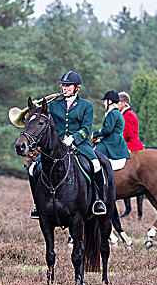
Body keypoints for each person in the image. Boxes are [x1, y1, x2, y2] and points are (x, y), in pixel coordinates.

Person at [29, 71, 107, 218]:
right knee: (33, 169)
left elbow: (86, 129)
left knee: (96, 165)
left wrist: (73, 138)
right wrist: (35, 109)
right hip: (57, 146)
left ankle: (98, 200)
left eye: (68, 86)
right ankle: (37, 204)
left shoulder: (86, 106)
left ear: (77, 87)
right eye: (63, 86)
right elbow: (44, 121)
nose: (64, 88)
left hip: (80, 144)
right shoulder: (53, 105)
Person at [117, 91, 144, 217]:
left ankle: (134, 209)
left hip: (131, 145)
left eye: (117, 102)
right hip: (128, 143)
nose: (116, 105)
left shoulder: (128, 115)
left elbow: (127, 134)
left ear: (124, 103)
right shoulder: (126, 113)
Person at [92, 90, 130, 169]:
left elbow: (107, 130)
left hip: (112, 142)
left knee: (93, 156)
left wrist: (95, 134)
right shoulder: (115, 113)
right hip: (112, 140)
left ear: (110, 101)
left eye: (105, 101)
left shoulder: (113, 113)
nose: (104, 103)